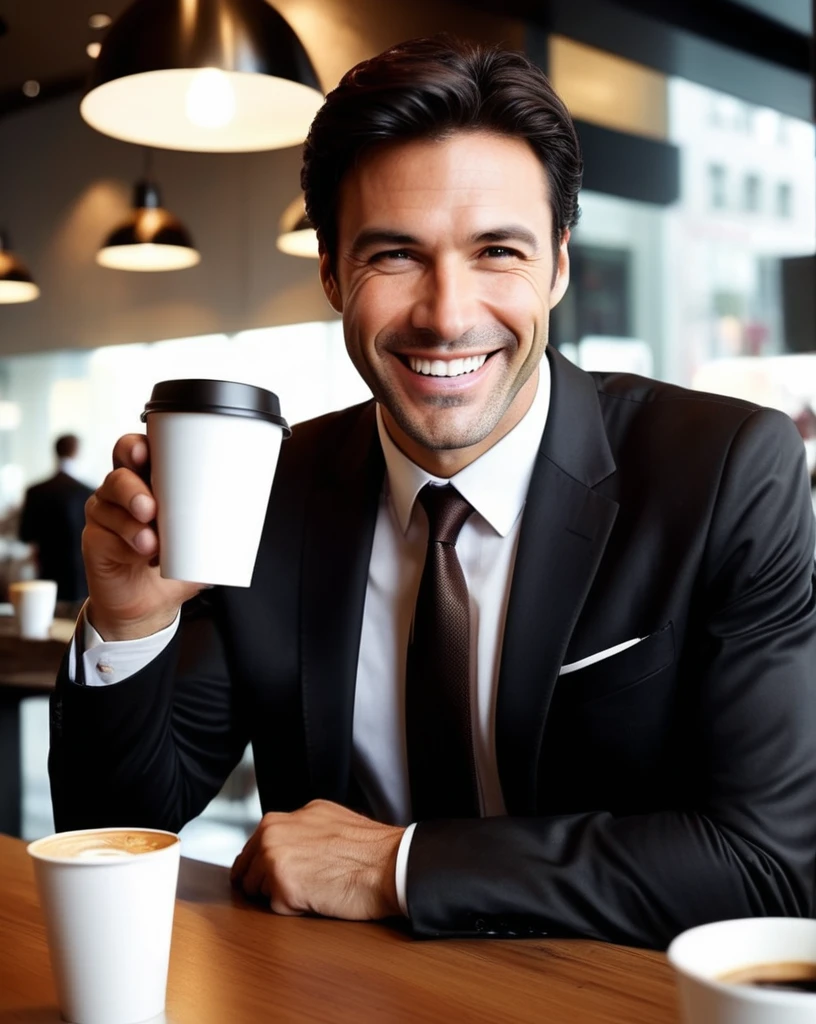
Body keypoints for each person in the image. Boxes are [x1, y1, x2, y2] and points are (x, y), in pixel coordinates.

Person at [49, 37, 816, 949]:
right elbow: (117, 836)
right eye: (395, 255)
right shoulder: (276, 489)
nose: (448, 314)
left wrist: (399, 865)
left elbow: (771, 866)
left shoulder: (724, 470)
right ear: (332, 273)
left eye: (498, 250)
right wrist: (130, 625)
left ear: (559, 265)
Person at [19, 434, 94, 604]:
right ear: (77, 452)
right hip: (80, 573)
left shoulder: (35, 491)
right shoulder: (87, 492)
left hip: (48, 568)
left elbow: (25, 534)